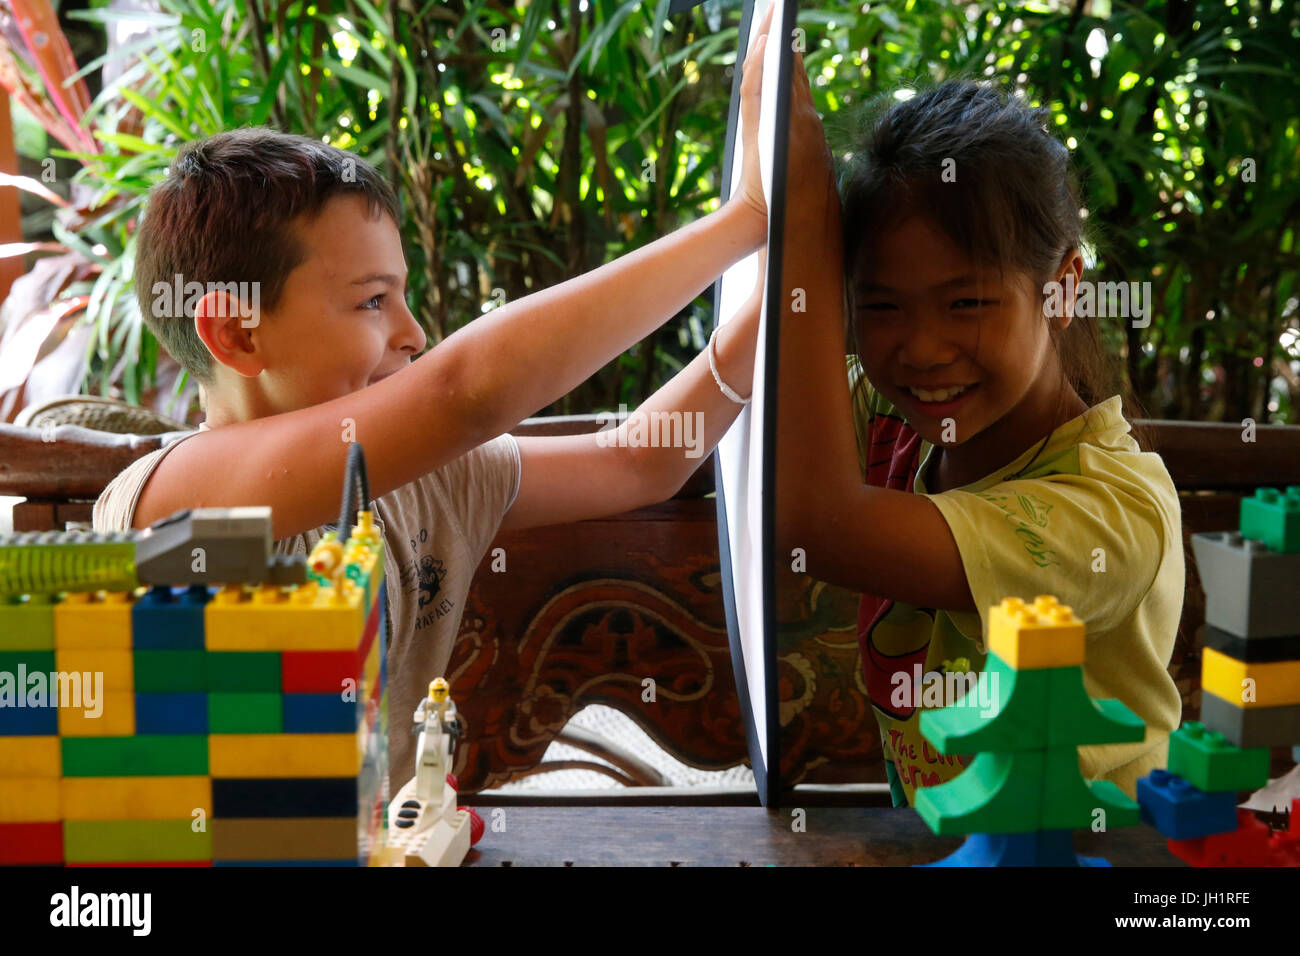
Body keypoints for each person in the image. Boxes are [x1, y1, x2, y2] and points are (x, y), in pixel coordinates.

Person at [94, 23, 776, 792]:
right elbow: (465, 394)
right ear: (235, 329)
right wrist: (743, 219)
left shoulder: (418, 481)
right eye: (373, 301)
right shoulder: (174, 502)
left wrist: (772, 303)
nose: (413, 333)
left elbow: (639, 461)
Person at [775, 69, 1183, 806]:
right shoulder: (893, 419)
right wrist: (778, 206)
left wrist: (803, 210)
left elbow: (816, 520)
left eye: (966, 302)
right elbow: (738, 413)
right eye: (881, 304)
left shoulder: (1109, 514)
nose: (922, 348)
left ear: (1061, 290)